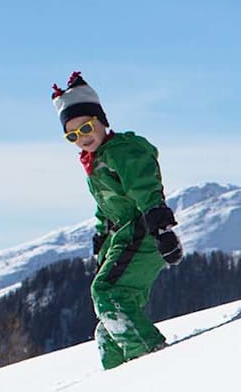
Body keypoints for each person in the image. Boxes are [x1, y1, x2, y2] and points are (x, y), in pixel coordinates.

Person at [52, 71, 183, 370]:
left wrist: (161, 226)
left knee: (107, 294)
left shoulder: (122, 150)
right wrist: (101, 237)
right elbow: (107, 206)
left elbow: (144, 185)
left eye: (85, 128)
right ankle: (117, 377)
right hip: (123, 236)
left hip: (142, 231)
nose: (81, 138)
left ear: (100, 120)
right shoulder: (97, 161)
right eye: (72, 135)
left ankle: (153, 362)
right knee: (109, 327)